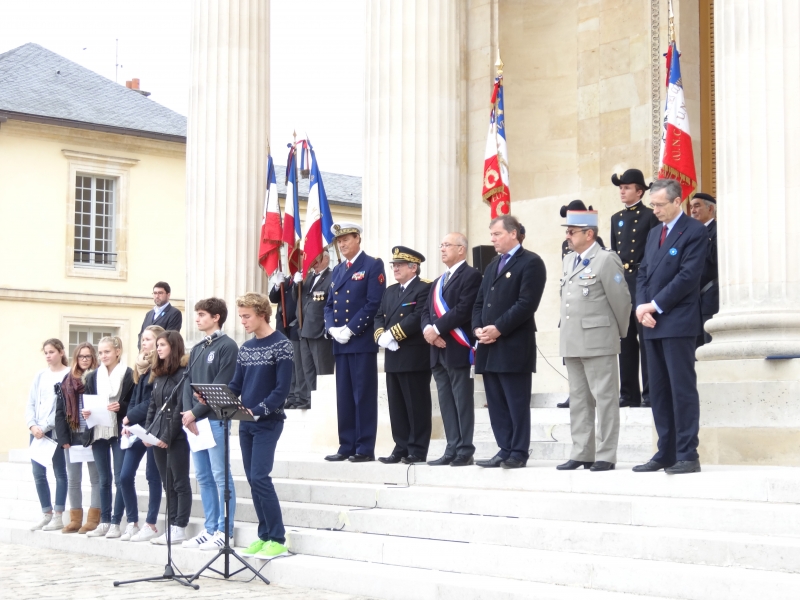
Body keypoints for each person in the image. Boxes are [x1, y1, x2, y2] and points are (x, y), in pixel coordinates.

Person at [634, 178, 708, 475]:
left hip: (677, 320)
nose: (656, 210)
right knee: (659, 391)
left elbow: (688, 277)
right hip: (651, 321)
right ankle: (665, 451)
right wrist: (640, 307)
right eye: (653, 205)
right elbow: (643, 273)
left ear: (678, 202)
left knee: (681, 389)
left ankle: (687, 453)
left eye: (660, 205)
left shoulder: (694, 231)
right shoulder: (654, 234)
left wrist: (655, 305)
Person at [557, 210, 631, 472]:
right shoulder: (569, 260)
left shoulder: (606, 260)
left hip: (599, 340)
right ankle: (582, 451)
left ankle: (606, 454)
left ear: (589, 234)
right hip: (573, 340)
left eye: (571, 231)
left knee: (605, 398)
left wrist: (615, 335)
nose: (567, 236)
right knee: (579, 400)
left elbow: (621, 301)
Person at [472, 216, 547, 469]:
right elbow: (479, 302)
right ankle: (504, 448)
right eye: (491, 234)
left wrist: (499, 328)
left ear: (513, 233)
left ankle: (518, 451)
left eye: (497, 234)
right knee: (495, 402)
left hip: (513, 344)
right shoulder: (493, 264)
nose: (492, 239)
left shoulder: (531, 262)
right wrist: (477, 328)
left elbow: (526, 303)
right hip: (488, 344)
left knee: (516, 402)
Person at [228, 292, 293, 560]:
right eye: (241, 316)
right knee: (253, 481)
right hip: (246, 423)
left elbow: (281, 390)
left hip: (268, 421)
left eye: (246, 316)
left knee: (260, 477)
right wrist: (214, 397)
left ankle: (278, 538)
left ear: (262, 314)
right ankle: (264, 535)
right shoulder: (245, 349)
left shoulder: (282, 345)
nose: (242, 321)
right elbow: (236, 385)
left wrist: (257, 411)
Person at [323, 222, 386, 462]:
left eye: (346, 239)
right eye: (339, 241)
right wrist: (331, 328)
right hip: (340, 341)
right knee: (345, 396)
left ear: (357, 238)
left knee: (363, 396)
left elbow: (373, 302)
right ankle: (346, 445)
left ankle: (364, 447)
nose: (342, 244)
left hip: (360, 340)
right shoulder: (338, 269)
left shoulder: (372, 265)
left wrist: (350, 329)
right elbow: (329, 305)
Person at [180, 298, 239, 551]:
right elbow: (187, 382)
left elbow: (221, 385)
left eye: (202, 314)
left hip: (215, 419)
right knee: (203, 477)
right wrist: (186, 414)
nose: (197, 318)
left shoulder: (227, 346)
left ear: (216, 317)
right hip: (194, 422)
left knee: (220, 475)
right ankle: (210, 527)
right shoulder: (198, 348)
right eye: (197, 314)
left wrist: (194, 412)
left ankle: (226, 531)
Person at [420, 233, 482, 466]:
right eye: (442, 245)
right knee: (446, 401)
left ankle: (465, 449)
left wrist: (436, 329)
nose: (443, 249)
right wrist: (429, 331)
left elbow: (464, 308)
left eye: (448, 245)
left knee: (462, 400)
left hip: (457, 347)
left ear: (461, 250)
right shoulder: (438, 281)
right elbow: (427, 311)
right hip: (437, 349)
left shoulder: (471, 276)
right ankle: (451, 447)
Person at [374, 246, 433, 464]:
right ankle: (400, 447)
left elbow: (418, 316)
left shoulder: (424, 288)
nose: (395, 268)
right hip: (393, 355)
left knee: (416, 405)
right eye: (394, 265)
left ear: (413, 267)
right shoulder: (390, 291)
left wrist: (394, 334)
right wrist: (381, 336)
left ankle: (417, 450)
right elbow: (379, 315)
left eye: (399, 265)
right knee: (396, 406)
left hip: (413, 355)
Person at [611, 169, 660, 408]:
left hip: (642, 283)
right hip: (622, 286)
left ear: (640, 191)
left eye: (627, 187)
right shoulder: (615, 218)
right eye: (621, 187)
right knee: (625, 342)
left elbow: (652, 252)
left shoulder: (650, 216)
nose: (622, 190)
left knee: (647, 340)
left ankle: (650, 393)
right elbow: (613, 255)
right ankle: (628, 393)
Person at [82, 336, 134, 538]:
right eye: (101, 352)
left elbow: (133, 402)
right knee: (103, 479)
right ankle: (104, 520)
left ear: (118, 352)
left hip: (119, 429)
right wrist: (86, 412)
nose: (103, 356)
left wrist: (122, 407)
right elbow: (88, 402)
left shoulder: (128, 374)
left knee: (120, 477)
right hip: (98, 429)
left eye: (107, 352)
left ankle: (115, 522)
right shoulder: (93, 376)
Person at [117, 325, 164, 542]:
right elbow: (136, 398)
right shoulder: (141, 367)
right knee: (125, 476)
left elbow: (151, 402)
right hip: (136, 430)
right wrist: (127, 422)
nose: (144, 343)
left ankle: (151, 524)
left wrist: (130, 417)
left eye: (148, 339)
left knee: (153, 477)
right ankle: (133, 521)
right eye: (142, 339)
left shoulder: (160, 368)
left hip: (153, 427)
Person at [145, 330, 191, 544]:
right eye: (158, 345)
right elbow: (153, 407)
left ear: (173, 346)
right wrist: (148, 433)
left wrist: (166, 436)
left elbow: (179, 408)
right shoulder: (159, 374)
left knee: (180, 482)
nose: (158, 348)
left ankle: (180, 526)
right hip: (158, 438)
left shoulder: (183, 374)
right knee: (167, 483)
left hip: (177, 437)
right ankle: (171, 525)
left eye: (162, 345)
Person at [557, 200, 604, 409]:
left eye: (572, 230)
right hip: (572, 316)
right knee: (574, 370)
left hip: (591, 323)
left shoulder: (599, 251)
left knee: (599, 387)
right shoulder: (567, 250)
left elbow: (617, 299)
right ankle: (574, 393)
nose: (568, 234)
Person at [55, 342, 101, 534]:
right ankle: (75, 519)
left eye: (88, 356)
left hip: (92, 435)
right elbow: (60, 412)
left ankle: (93, 519)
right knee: (73, 479)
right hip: (73, 437)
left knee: (95, 479)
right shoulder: (66, 381)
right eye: (81, 356)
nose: (84, 359)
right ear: (76, 358)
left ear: (93, 358)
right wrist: (63, 438)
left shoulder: (98, 378)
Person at [26, 339, 70, 531]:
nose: (48, 356)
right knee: (38, 473)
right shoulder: (40, 375)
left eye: (51, 352)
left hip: (55, 430)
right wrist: (32, 425)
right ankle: (47, 513)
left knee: (60, 472)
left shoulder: (68, 375)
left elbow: (62, 407)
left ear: (61, 352)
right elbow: (32, 401)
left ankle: (59, 515)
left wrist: (45, 426)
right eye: (45, 352)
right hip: (37, 432)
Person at [295, 250, 335, 409]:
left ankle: (323, 401)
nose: (314, 262)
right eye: (313, 258)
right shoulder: (309, 277)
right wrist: (296, 285)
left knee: (322, 370)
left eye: (318, 258)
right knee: (308, 369)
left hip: (320, 331)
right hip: (304, 329)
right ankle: (309, 399)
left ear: (326, 258)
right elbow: (298, 299)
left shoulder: (332, 276)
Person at [269, 273, 306, 409]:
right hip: (282, 327)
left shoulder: (303, 278)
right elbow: (273, 298)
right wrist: (277, 286)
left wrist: (297, 284)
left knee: (297, 363)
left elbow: (299, 298)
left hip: (296, 325)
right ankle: (289, 395)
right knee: (285, 363)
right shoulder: (286, 280)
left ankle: (298, 395)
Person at [690, 192, 718, 347]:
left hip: (710, 298)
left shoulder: (718, 230)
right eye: (691, 207)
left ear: (710, 208)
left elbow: (715, 257)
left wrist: (701, 235)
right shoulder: (690, 233)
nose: (692, 210)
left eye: (697, 206)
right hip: (692, 300)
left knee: (709, 345)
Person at [138, 281, 182, 349]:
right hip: (146, 356)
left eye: (160, 293)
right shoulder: (149, 314)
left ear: (168, 295)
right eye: (155, 293)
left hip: (161, 356)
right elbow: (141, 334)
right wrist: (142, 351)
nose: (157, 296)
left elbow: (170, 337)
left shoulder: (174, 313)